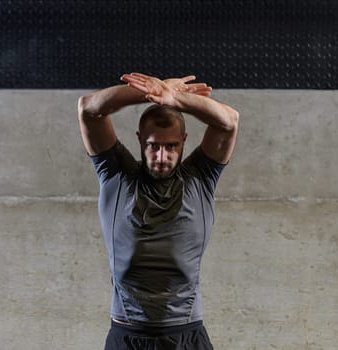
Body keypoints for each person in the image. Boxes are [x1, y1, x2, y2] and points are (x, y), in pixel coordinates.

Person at [78, 72, 239, 350]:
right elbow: (89, 109)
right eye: (153, 146)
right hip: (127, 335)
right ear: (141, 140)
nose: (162, 157)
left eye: (171, 146)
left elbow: (229, 121)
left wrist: (176, 98)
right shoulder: (117, 175)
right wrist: (150, 91)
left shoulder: (200, 177)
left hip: (185, 335)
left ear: (184, 140)